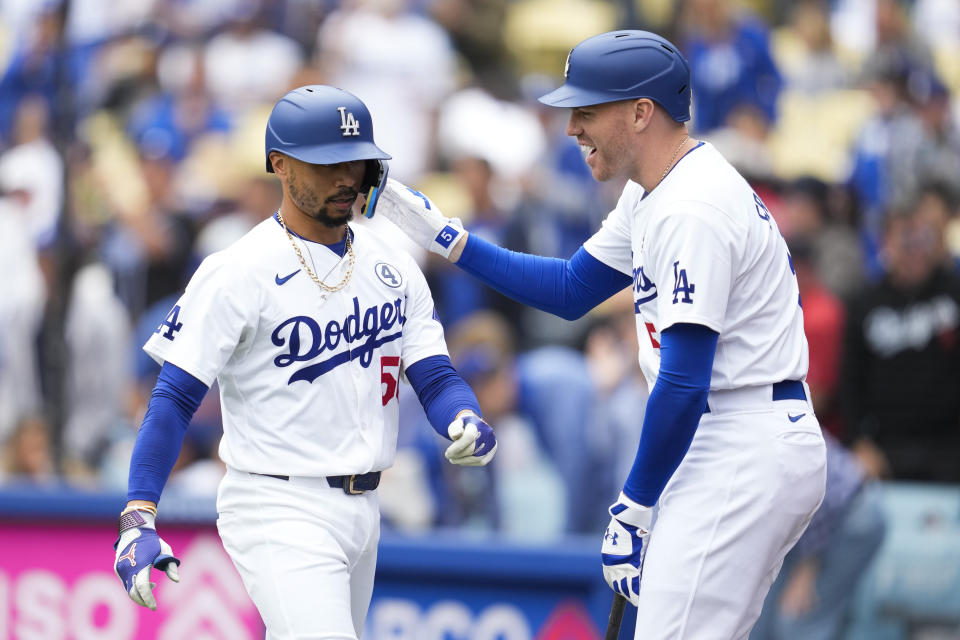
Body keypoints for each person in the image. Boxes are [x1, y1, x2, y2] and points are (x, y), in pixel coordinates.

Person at [373, 30, 827, 638]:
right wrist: (451, 240)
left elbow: (685, 382)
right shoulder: (655, 190)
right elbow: (569, 289)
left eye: (586, 111)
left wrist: (636, 504)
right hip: (728, 434)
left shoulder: (692, 206)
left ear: (642, 112)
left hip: (740, 436)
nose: (570, 129)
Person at [111, 85, 497, 639]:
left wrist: (465, 416)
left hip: (366, 505)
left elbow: (435, 375)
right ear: (279, 164)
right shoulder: (237, 269)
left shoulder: (394, 263)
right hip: (277, 501)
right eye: (326, 164)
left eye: (356, 161)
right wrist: (138, 513)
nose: (346, 177)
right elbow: (173, 398)